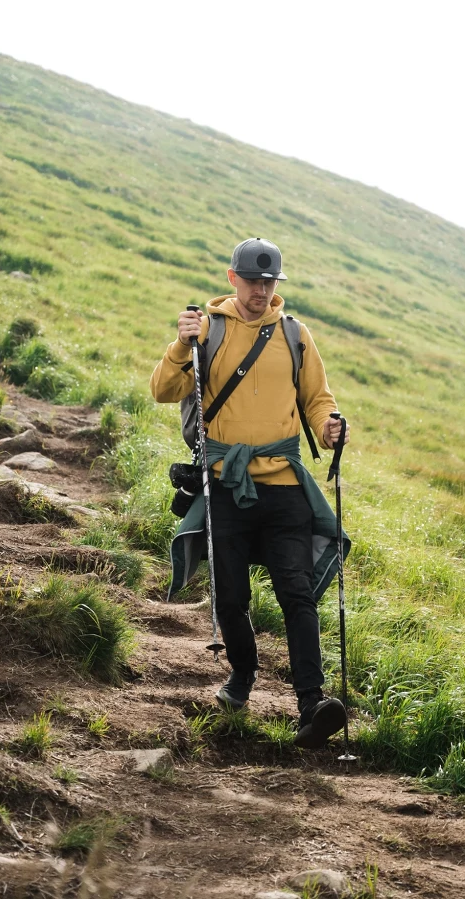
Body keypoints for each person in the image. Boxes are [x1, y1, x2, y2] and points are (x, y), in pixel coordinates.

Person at [151, 237, 352, 749]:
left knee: (297, 594)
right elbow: (163, 390)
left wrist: (328, 429)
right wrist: (181, 343)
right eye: (253, 281)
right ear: (232, 277)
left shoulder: (294, 334)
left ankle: (312, 704)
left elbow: (317, 399)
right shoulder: (208, 330)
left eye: (269, 283)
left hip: (284, 484)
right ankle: (242, 677)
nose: (261, 291)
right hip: (224, 485)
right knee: (231, 596)